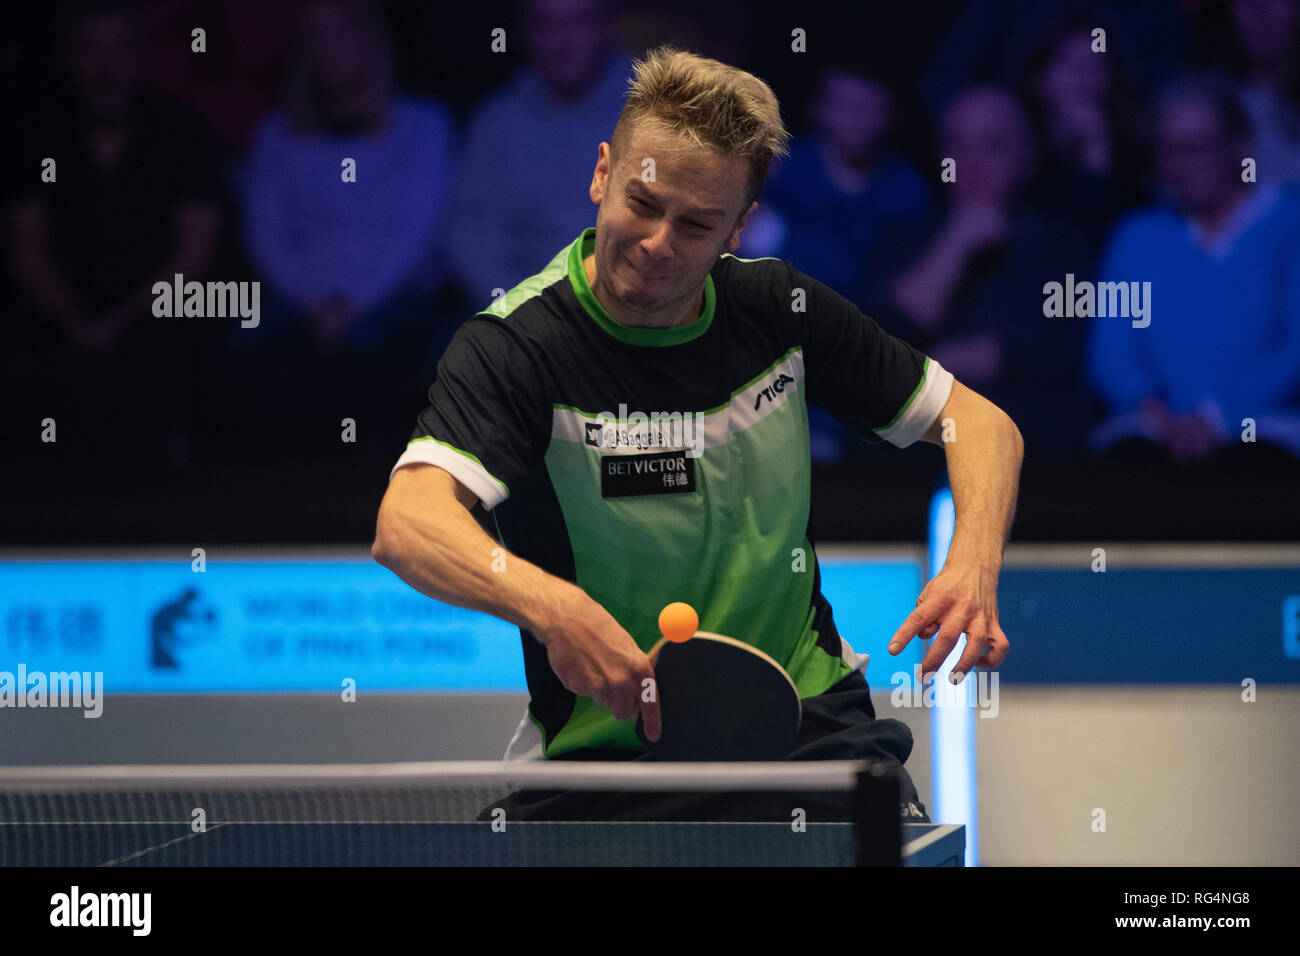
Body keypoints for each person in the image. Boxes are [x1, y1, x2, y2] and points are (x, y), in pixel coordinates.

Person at [372, 47, 1021, 823]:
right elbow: (406, 523)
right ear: (602, 173)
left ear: (740, 226)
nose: (657, 243)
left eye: (696, 224)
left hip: (808, 732)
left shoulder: (780, 313)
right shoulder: (519, 346)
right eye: (642, 204)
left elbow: (981, 423)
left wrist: (974, 565)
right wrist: (552, 608)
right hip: (605, 760)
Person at [1086, 74, 1300, 464]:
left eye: (1197, 147)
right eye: (1169, 149)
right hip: (1157, 431)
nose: (1182, 164)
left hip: (1263, 430)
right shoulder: (1138, 236)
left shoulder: (1289, 223)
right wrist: (1156, 411)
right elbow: (1110, 353)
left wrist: (1215, 417)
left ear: (1237, 146)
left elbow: (1294, 349)